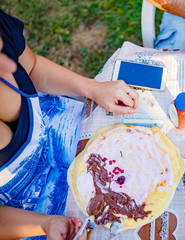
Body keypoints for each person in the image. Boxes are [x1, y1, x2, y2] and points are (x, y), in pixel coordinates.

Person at [0, 9, 138, 239]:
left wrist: (92, 88)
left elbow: (32, 68)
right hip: (25, 214)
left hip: (53, 125)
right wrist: (46, 224)